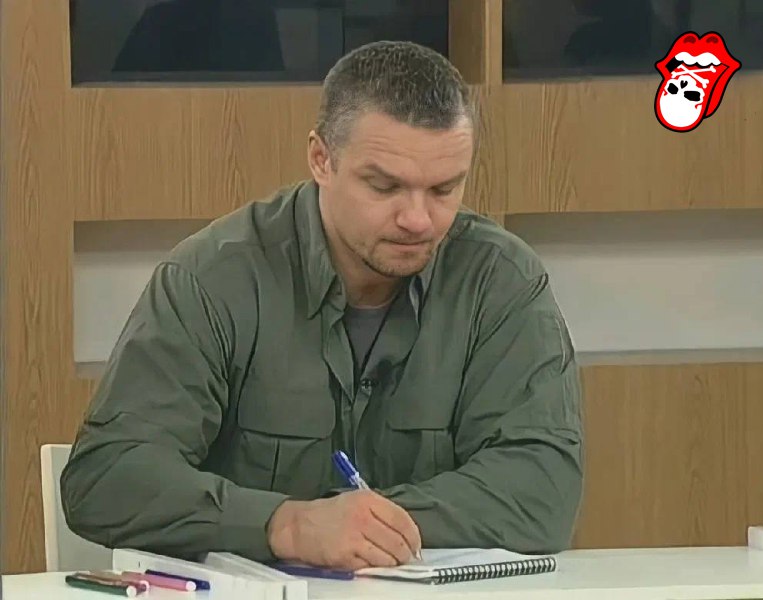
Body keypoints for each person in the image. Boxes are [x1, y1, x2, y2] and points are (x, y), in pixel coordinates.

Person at [61, 40, 584, 571]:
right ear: (321, 159)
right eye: (384, 186)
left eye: (444, 189)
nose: (418, 219)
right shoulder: (212, 280)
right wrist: (286, 525)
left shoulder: (500, 281)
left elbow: (542, 489)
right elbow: (105, 478)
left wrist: (362, 524)